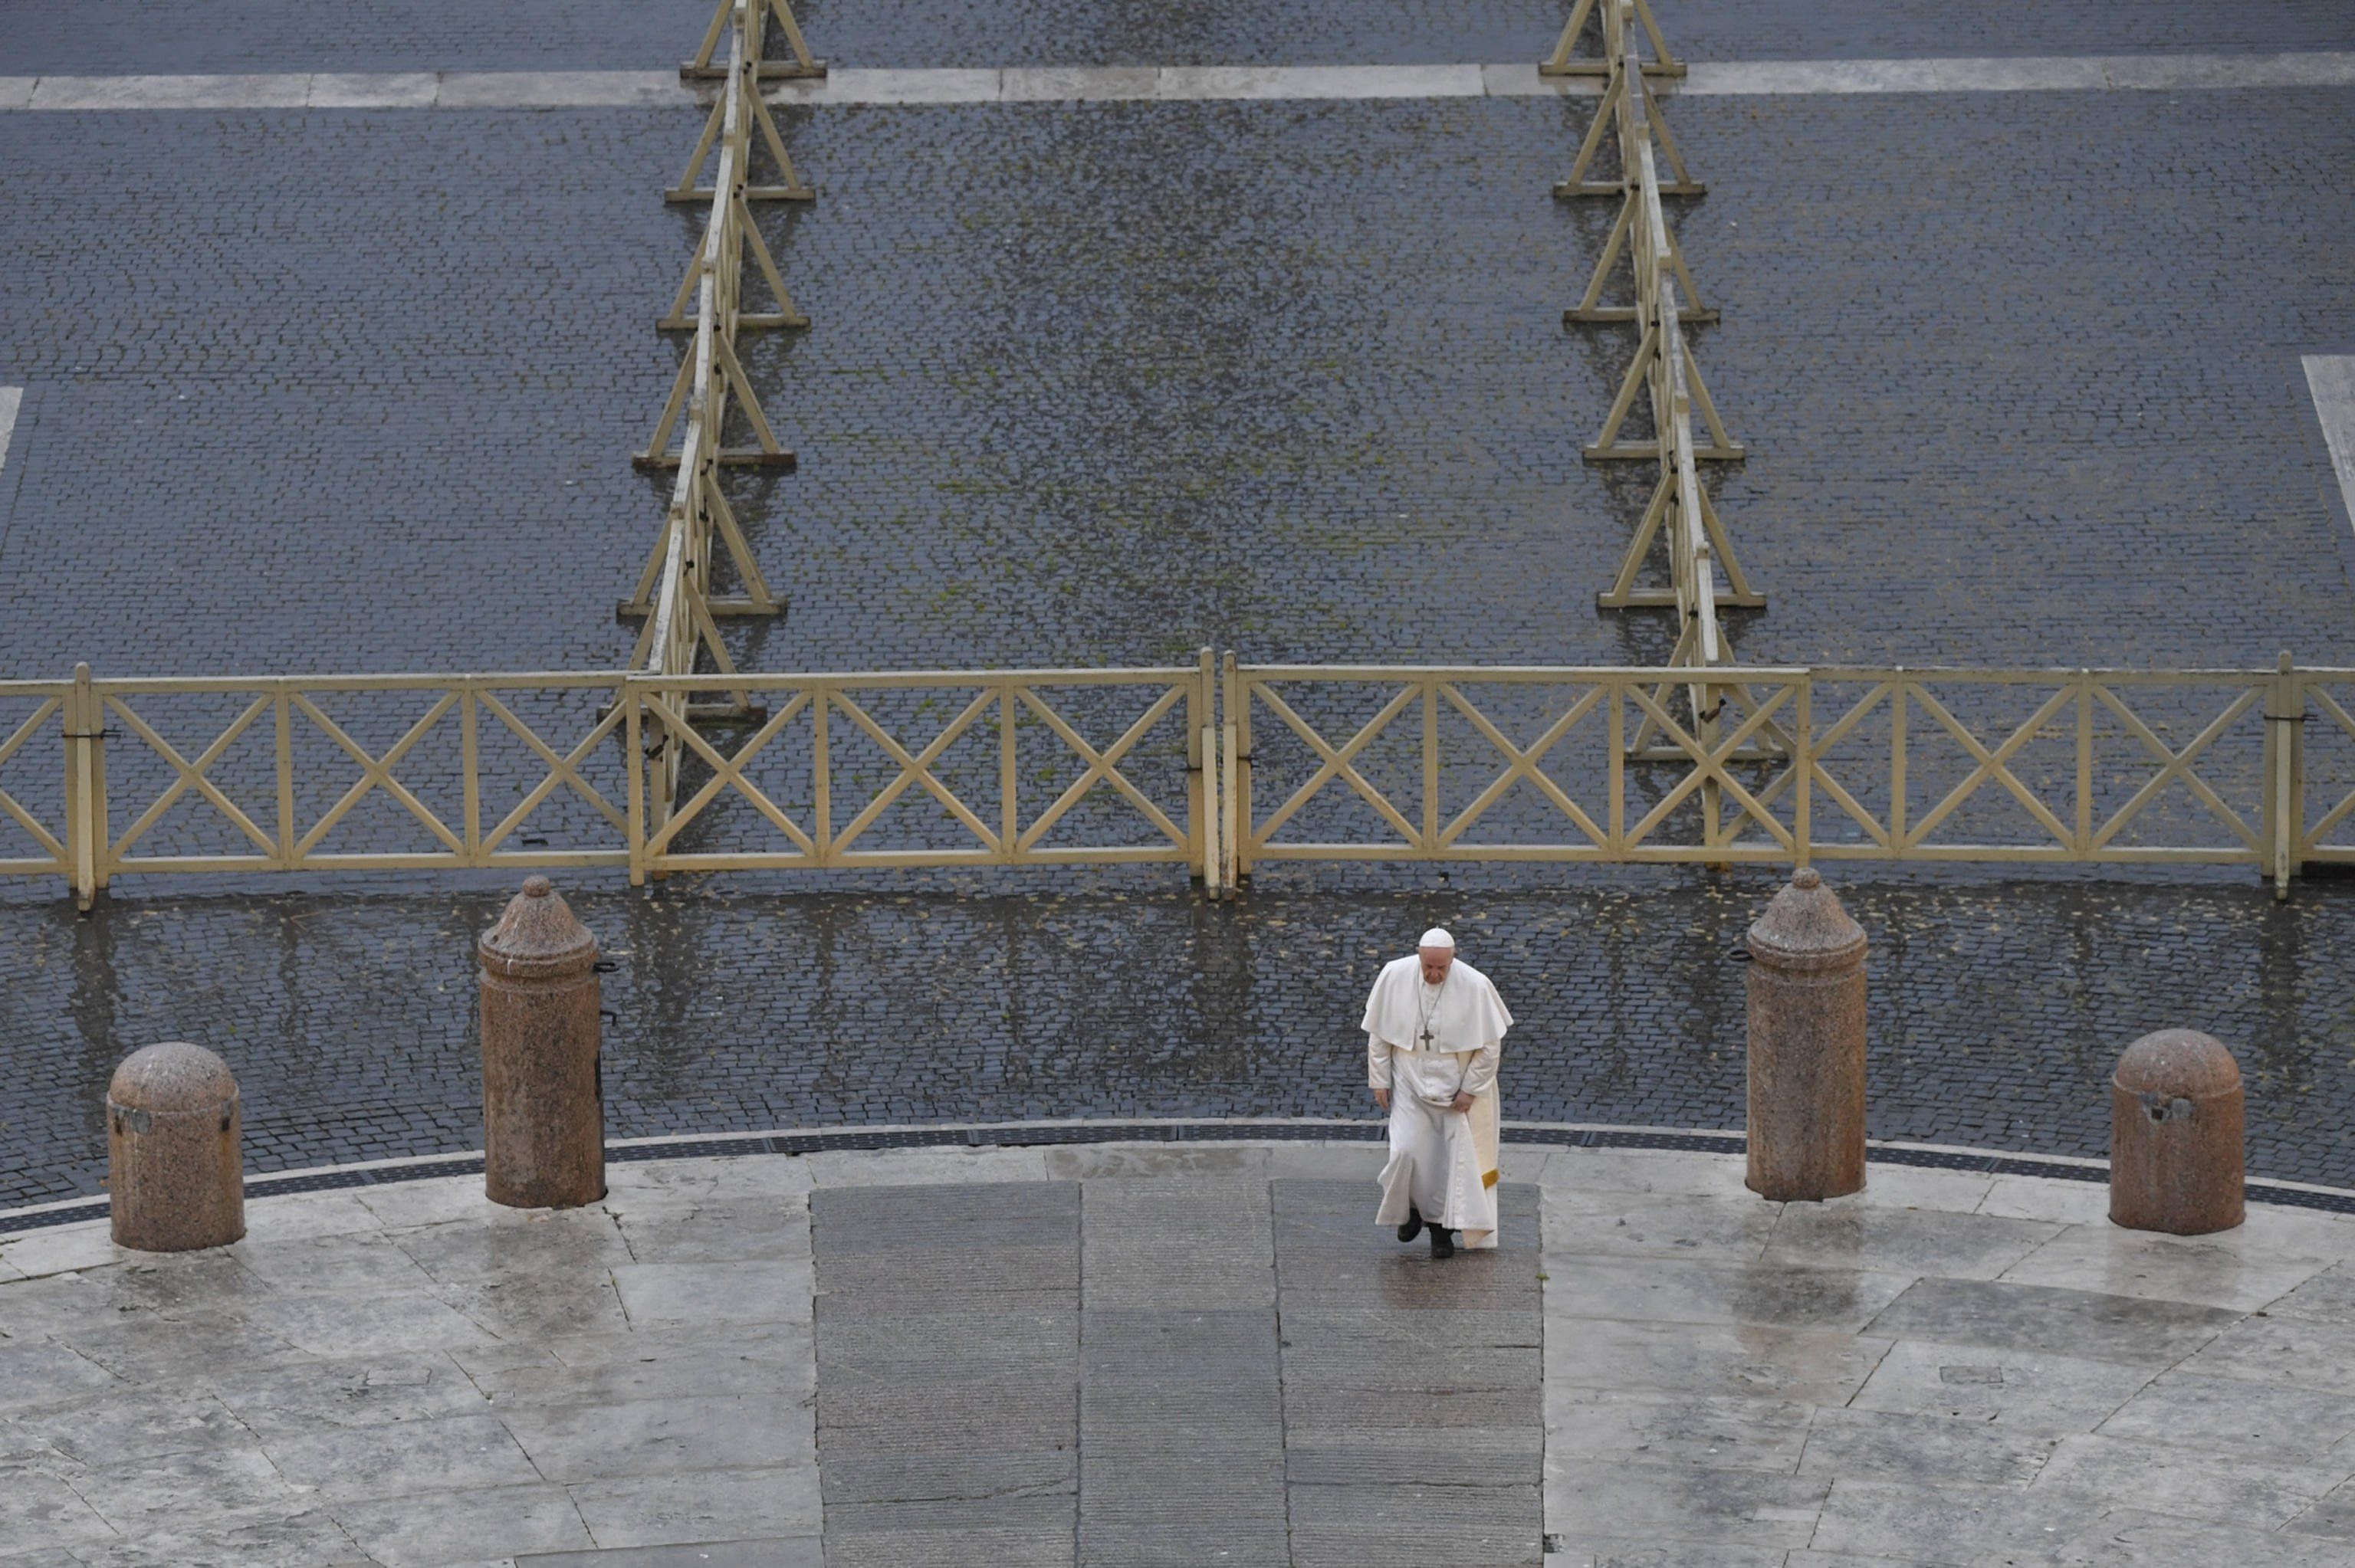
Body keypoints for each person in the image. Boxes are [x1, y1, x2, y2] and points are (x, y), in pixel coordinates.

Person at [1362, 928, 1513, 1259]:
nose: (1434, 974)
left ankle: (1440, 1234)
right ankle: (1410, 1211)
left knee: (1447, 1166)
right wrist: (1380, 1080)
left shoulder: (1474, 985)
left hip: (1453, 1089)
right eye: (1427, 967)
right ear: (1418, 956)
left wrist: (1470, 1090)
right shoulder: (1394, 975)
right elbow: (1379, 1034)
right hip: (1408, 1081)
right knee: (1404, 1152)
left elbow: (1489, 1047)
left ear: (1453, 958)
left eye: (1441, 969)